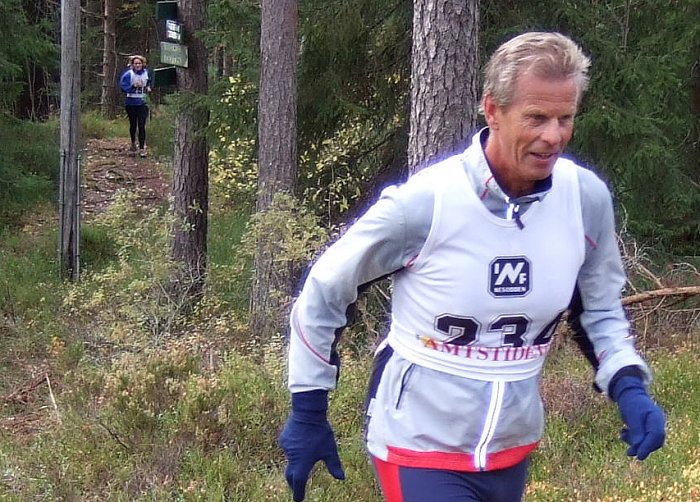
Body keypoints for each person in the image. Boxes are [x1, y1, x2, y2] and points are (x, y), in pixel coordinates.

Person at [279, 32, 666, 502]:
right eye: (536, 117)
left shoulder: (585, 199)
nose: (553, 136)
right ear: (492, 110)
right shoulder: (426, 204)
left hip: (511, 448)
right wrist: (308, 408)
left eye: (565, 118)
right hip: (418, 445)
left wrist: (628, 386)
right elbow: (324, 289)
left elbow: (599, 308)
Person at [119, 55, 151, 158]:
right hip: (131, 103)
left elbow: (149, 81)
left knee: (141, 125)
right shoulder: (128, 74)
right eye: (136, 63)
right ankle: (133, 143)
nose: (137, 65)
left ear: (142, 64)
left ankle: (142, 148)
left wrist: (148, 87)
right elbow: (123, 87)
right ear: (132, 64)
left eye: (139, 63)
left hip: (143, 103)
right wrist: (133, 86)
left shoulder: (146, 73)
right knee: (133, 124)